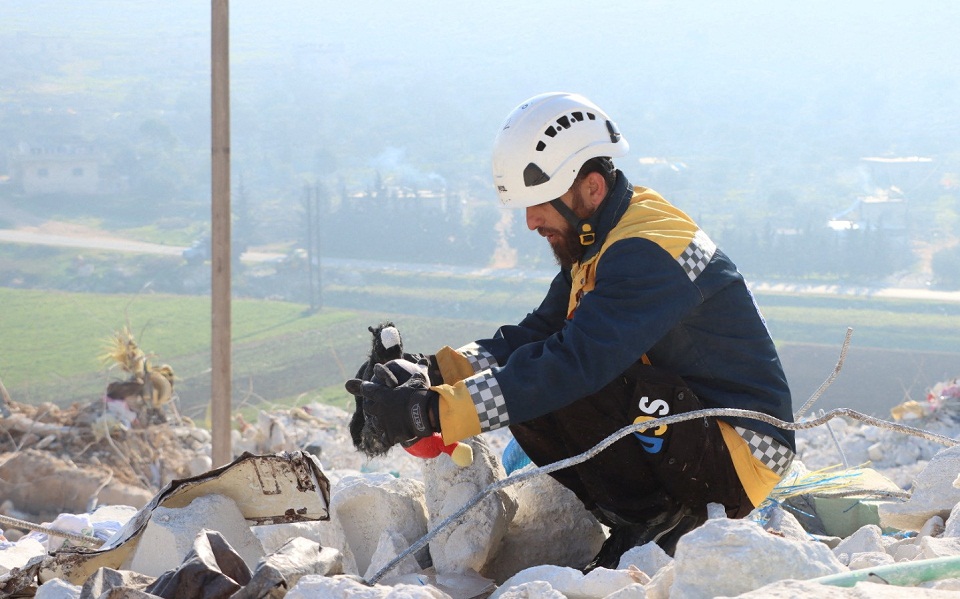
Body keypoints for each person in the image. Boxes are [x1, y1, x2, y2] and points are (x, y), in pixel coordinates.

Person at [348, 92, 795, 570]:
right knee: (527, 376)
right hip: (698, 429)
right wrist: (427, 371)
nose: (530, 222)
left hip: (740, 453)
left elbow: (573, 362)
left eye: (538, 204)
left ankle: (665, 520)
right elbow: (534, 335)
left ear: (592, 188)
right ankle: (646, 520)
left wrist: (434, 410)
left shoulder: (645, 249)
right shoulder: (605, 235)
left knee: (551, 381)